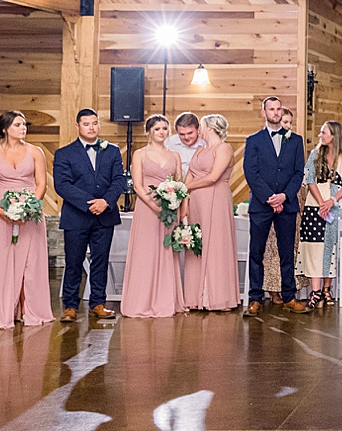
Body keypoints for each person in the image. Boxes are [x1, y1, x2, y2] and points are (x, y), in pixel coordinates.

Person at [0, 110, 54, 331]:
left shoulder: (36, 152)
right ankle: (0, 309)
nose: (23, 128)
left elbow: (41, 184)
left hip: (30, 213)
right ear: (5, 129)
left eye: (24, 124)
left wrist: (30, 207)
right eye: (18, 125)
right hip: (0, 212)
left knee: (30, 261)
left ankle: (29, 308)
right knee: (0, 260)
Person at [52, 108, 123, 322]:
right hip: (77, 215)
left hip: (105, 214)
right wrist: (89, 203)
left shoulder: (112, 151)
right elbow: (62, 185)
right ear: (77, 126)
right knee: (74, 261)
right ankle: (70, 306)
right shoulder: (64, 153)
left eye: (94, 123)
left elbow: (119, 180)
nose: (91, 127)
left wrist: (106, 202)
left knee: (100, 260)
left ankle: (98, 303)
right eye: (86, 124)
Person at [244, 96, 308, 315]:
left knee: (287, 251)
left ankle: (289, 297)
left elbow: (298, 172)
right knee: (256, 252)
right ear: (264, 113)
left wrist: (284, 196)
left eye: (278, 109)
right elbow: (251, 173)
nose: (275, 112)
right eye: (271, 109)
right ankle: (255, 298)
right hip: (262, 205)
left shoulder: (296, 140)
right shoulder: (253, 140)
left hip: (287, 204)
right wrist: (270, 197)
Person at [122, 114, 187, 319]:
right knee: (146, 253)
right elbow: (138, 186)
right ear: (148, 131)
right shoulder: (140, 154)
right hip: (147, 209)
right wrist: (154, 206)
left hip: (170, 209)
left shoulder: (174, 155)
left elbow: (180, 183)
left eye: (165, 128)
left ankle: (166, 300)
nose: (161, 132)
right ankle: (142, 301)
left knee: (167, 251)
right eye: (157, 128)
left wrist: (178, 205)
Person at [182, 113, 240, 312]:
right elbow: (189, 175)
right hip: (197, 203)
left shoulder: (224, 148)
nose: (200, 128)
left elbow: (214, 177)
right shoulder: (199, 151)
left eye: (202, 125)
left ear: (210, 127)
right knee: (196, 244)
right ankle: (194, 296)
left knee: (216, 246)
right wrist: (185, 195)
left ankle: (218, 297)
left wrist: (187, 186)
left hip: (216, 199)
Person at [298, 120, 342, 308]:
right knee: (314, 248)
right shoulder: (315, 155)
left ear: (334, 135)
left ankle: (326, 289)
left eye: (323, 132)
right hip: (314, 207)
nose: (320, 135)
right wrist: (320, 203)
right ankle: (315, 291)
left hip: (333, 208)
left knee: (329, 249)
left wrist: (331, 201)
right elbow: (309, 179)